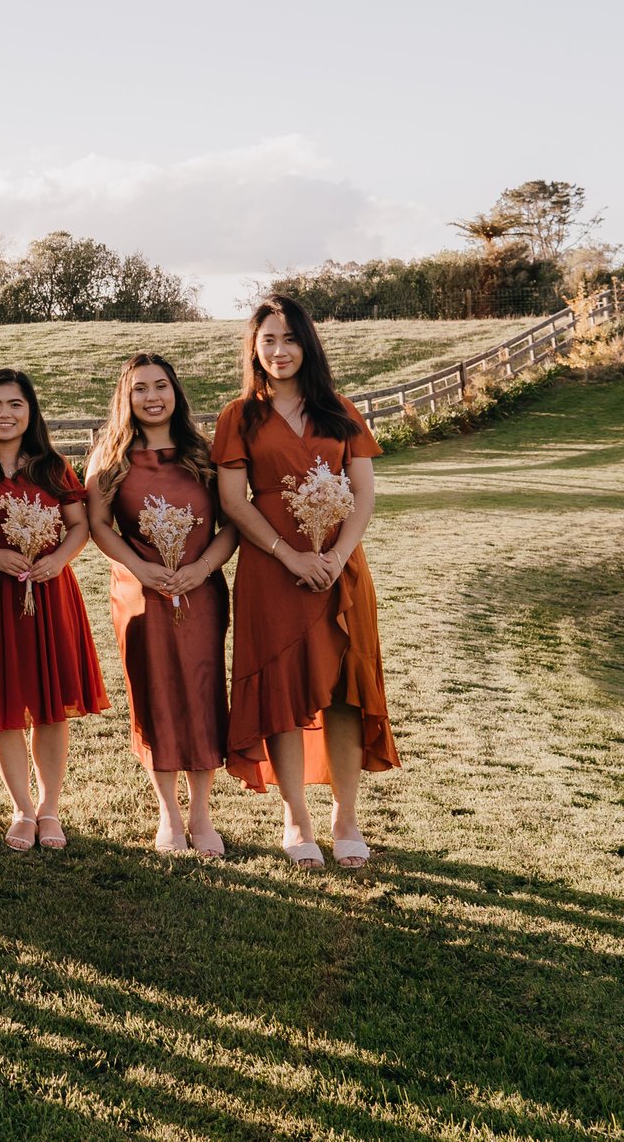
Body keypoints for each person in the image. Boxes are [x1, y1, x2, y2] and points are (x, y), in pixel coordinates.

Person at [209, 294, 398, 869]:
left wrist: (338, 555)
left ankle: (347, 818)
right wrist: (288, 555)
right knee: (282, 693)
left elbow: (363, 492)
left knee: (342, 694)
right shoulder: (238, 417)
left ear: (307, 345)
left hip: (341, 571)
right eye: (268, 340)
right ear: (253, 348)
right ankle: (296, 817)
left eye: (289, 338)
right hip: (272, 571)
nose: (279, 350)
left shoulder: (339, 410)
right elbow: (232, 502)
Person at [0, 368, 107, 851]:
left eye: (15, 404)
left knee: (51, 706)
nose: (5, 414)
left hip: (50, 591)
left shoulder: (53, 466)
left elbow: (78, 525)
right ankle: (21, 808)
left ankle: (50, 808)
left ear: (30, 411)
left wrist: (58, 558)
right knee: (4, 706)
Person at [85, 354, 234, 857]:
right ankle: (169, 815)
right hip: (139, 592)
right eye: (140, 389)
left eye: (161, 386)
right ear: (125, 398)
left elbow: (232, 522)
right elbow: (99, 524)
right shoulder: (109, 455)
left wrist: (203, 568)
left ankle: (201, 813)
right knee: (156, 695)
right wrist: (139, 568)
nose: (152, 397)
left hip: (201, 589)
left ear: (176, 392)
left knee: (202, 692)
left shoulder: (204, 452)